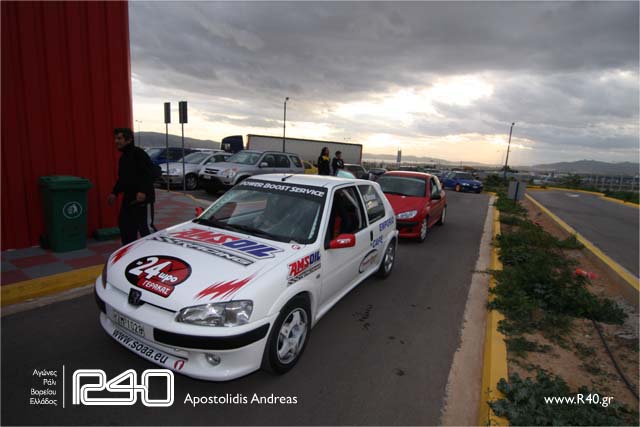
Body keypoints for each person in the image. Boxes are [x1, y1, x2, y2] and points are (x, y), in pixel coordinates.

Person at [107, 127, 156, 245]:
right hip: (129, 198)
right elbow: (123, 179)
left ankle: (151, 250)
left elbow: (150, 173)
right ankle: (129, 250)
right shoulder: (123, 158)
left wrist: (143, 191)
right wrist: (114, 193)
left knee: (143, 229)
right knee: (125, 226)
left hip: (141, 199)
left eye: (119, 138)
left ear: (129, 140)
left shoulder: (139, 153)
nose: (116, 141)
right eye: (115, 138)